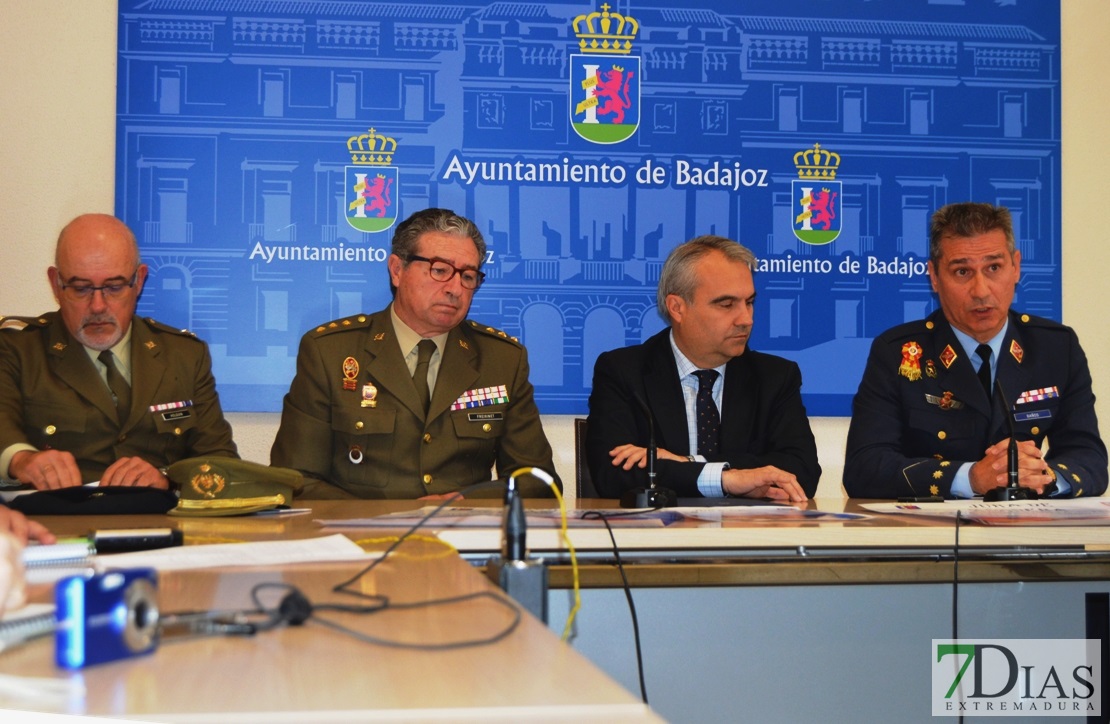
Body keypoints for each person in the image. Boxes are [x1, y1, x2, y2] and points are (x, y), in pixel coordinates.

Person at [271, 208, 558, 499]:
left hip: (463, 537)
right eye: (440, 270)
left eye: (468, 276)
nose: (455, 288)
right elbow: (297, 479)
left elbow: (539, 480)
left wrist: (465, 503)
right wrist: (387, 519)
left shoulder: (502, 360)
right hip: (365, 539)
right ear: (397, 270)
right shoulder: (330, 353)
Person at [844, 202, 1108, 499]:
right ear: (934, 276)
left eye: (994, 267)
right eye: (962, 272)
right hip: (933, 537)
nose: (981, 290)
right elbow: (863, 468)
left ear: (1016, 267)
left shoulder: (1056, 347)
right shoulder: (899, 352)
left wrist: (1044, 478)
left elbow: (1090, 458)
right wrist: (969, 478)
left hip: (1028, 536)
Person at [0, 213, 239, 491]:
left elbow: (221, 462)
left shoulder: (183, 356)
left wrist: (168, 480)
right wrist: (21, 460)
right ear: (56, 283)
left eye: (114, 287)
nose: (98, 305)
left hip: (160, 526)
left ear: (139, 281)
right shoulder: (18, 349)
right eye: (81, 288)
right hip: (55, 526)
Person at [586, 235, 820, 502]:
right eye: (726, 304)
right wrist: (727, 478)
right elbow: (613, 475)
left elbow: (801, 473)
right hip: (658, 537)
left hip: (748, 538)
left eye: (750, 302)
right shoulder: (624, 372)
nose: (746, 319)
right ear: (677, 307)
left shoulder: (775, 378)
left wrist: (686, 461)